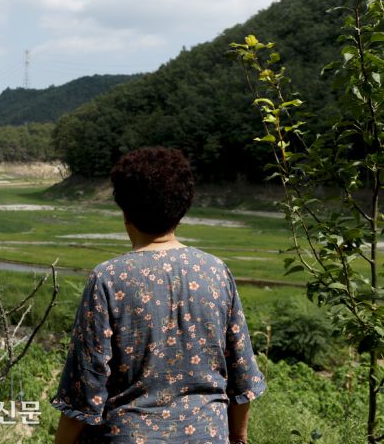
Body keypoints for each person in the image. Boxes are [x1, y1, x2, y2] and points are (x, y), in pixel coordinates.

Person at [51, 147, 265, 444]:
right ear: (183, 207)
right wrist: (238, 437)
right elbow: (242, 378)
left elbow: (83, 391)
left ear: (125, 210)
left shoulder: (108, 278)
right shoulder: (215, 271)